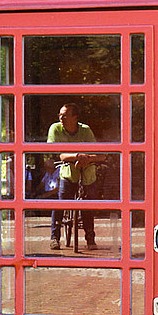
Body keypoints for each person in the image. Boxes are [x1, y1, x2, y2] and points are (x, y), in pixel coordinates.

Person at [47, 103, 105, 250]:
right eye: (60, 115)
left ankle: (90, 238)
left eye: (65, 115)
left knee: (88, 205)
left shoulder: (85, 130)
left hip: (86, 171)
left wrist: (86, 159)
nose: (61, 118)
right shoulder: (55, 129)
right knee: (61, 202)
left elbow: (99, 154)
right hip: (68, 170)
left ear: (75, 117)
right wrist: (77, 156)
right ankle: (54, 237)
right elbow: (58, 153)